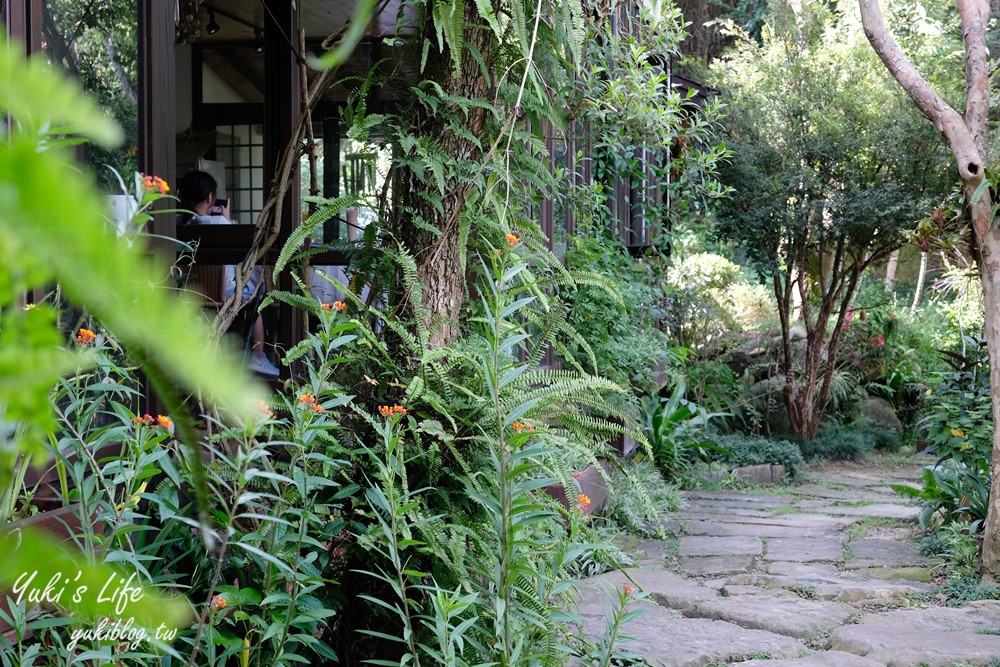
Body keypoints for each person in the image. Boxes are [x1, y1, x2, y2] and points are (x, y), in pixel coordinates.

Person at [177, 170, 280, 378]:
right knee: (256, 294)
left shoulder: (178, 224)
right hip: (225, 292)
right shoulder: (220, 225)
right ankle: (257, 356)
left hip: (188, 291)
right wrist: (227, 220)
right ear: (210, 198)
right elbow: (239, 255)